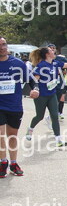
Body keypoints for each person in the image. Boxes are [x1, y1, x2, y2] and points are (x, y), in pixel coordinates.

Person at [25, 47, 67, 147]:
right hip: (41, 96)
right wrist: (35, 89)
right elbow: (35, 79)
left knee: (55, 116)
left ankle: (58, 140)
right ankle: (30, 129)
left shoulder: (55, 63)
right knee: (39, 116)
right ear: (47, 54)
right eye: (51, 51)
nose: (54, 52)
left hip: (52, 94)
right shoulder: (41, 66)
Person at [0, 37, 39, 177]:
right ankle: (3, 162)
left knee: (12, 136)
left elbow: (31, 80)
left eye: (4, 44)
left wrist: (35, 89)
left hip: (14, 106)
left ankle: (13, 163)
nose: (2, 47)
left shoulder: (17, 63)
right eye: (0, 45)